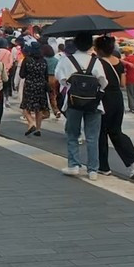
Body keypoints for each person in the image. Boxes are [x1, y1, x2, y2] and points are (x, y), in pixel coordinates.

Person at [54, 33, 107, 179]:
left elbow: (61, 78)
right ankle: (93, 170)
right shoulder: (96, 61)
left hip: (73, 101)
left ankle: (74, 165)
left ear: (76, 44)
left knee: (72, 134)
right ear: (91, 45)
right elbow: (103, 82)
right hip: (94, 103)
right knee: (92, 137)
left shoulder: (66, 60)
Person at [95, 36, 134, 178]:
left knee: (101, 133)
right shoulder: (119, 63)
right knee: (116, 131)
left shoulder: (97, 63)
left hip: (104, 99)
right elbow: (122, 84)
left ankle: (103, 166)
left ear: (98, 49)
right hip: (117, 98)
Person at [19, 42, 50, 136]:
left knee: (25, 107)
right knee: (39, 108)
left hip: (30, 85)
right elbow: (46, 75)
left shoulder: (27, 60)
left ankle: (31, 122)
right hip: (41, 86)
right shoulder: (44, 61)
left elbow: (22, 75)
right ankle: (38, 129)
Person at [43, 44, 62, 119]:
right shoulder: (56, 60)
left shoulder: (43, 60)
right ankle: (56, 110)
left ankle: (46, 111)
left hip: (46, 77)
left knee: (44, 96)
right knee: (53, 95)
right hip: (54, 78)